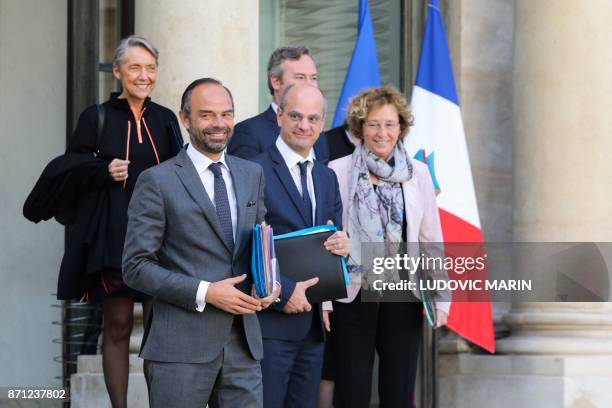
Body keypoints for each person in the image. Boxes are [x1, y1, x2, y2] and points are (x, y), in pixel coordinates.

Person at [122, 78, 278, 408]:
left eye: (226, 114)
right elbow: (135, 268)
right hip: (180, 349)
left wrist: (270, 283)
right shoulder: (157, 181)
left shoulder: (252, 174)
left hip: (244, 347)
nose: (219, 124)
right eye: (206, 115)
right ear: (185, 118)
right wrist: (206, 291)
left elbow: (261, 244)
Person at [64, 36, 183, 408]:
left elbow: (182, 173)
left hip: (161, 239)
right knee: (116, 327)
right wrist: (103, 170)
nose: (143, 76)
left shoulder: (164, 118)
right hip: (112, 237)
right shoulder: (95, 117)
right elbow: (70, 170)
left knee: (159, 332)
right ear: (117, 72)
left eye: (150, 68)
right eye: (135, 67)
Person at [327, 86, 451, 408]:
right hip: (352, 294)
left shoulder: (418, 174)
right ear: (359, 128)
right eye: (373, 124)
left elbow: (430, 239)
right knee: (351, 389)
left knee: (398, 389)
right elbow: (326, 238)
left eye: (389, 124)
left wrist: (441, 297)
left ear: (401, 128)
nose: (382, 133)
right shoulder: (336, 170)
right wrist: (324, 301)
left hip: (403, 295)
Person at [251, 83, 349, 408]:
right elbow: (246, 244)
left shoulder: (326, 176)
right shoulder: (254, 171)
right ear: (279, 115)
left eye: (313, 118)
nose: (304, 126)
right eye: (295, 116)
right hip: (270, 322)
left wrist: (341, 245)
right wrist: (284, 291)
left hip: (313, 324)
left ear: (322, 124)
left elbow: (331, 237)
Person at [228, 45, 329, 163]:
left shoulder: (318, 134)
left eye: (313, 78)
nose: (309, 84)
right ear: (276, 82)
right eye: (300, 77)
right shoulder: (248, 134)